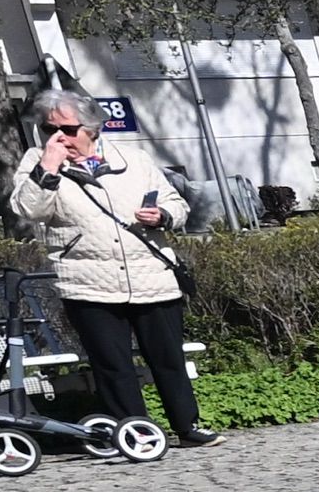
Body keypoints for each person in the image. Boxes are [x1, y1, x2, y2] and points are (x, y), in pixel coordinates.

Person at [15, 96, 207, 451]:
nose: (58, 137)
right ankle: (137, 432)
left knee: (168, 358)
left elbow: (177, 204)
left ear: (92, 129)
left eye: (68, 130)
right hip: (88, 281)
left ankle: (188, 425)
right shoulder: (37, 162)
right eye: (49, 129)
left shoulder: (133, 159)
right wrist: (49, 167)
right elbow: (29, 209)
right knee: (111, 363)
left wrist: (163, 215)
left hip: (151, 276)